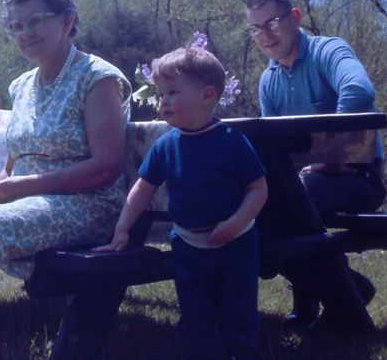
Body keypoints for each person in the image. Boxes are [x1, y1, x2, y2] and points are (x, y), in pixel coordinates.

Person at [0, 0, 131, 360]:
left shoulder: (97, 77)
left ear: (68, 21)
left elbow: (107, 166)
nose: (24, 33)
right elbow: (17, 154)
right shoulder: (22, 85)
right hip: (34, 200)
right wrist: (6, 180)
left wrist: (22, 188)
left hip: (90, 202)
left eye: (35, 21)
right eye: (16, 26)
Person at [97, 46, 268, 360]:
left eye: (173, 92)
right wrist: (122, 229)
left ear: (207, 95)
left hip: (236, 247)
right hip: (189, 247)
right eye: (161, 94)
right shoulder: (166, 145)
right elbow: (141, 190)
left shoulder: (231, 140)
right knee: (194, 320)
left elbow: (258, 189)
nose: (163, 102)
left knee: (239, 319)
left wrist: (235, 224)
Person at [245, 0, 387, 329]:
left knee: (279, 212)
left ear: (295, 17)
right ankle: (347, 287)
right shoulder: (269, 79)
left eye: (273, 23)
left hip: (356, 178)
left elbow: (358, 91)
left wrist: (333, 159)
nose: (265, 35)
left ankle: (337, 301)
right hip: (302, 183)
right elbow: (272, 144)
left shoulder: (329, 51)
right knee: (253, 207)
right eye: (255, 28)